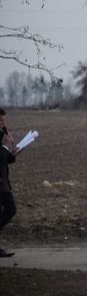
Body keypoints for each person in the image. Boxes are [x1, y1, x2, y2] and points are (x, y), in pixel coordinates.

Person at [0, 108, 20, 258]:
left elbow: (4, 158)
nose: (2, 124)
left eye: (3, 121)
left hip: (3, 180)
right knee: (9, 208)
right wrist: (6, 146)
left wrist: (12, 154)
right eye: (0, 120)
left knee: (10, 209)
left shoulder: (1, 135)